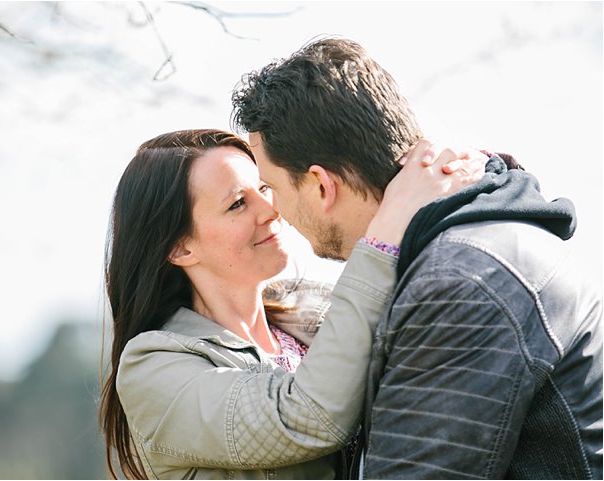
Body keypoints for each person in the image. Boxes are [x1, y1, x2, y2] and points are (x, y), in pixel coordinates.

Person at [231, 37, 602, 479]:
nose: (274, 210)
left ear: (320, 186)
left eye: (272, 186)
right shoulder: (475, 243)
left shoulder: (459, 282)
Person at [98, 128, 483, 479]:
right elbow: (306, 417)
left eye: (264, 189)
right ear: (180, 247)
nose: (270, 211)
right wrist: (386, 230)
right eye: (237, 204)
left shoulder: (317, 309)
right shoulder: (152, 368)